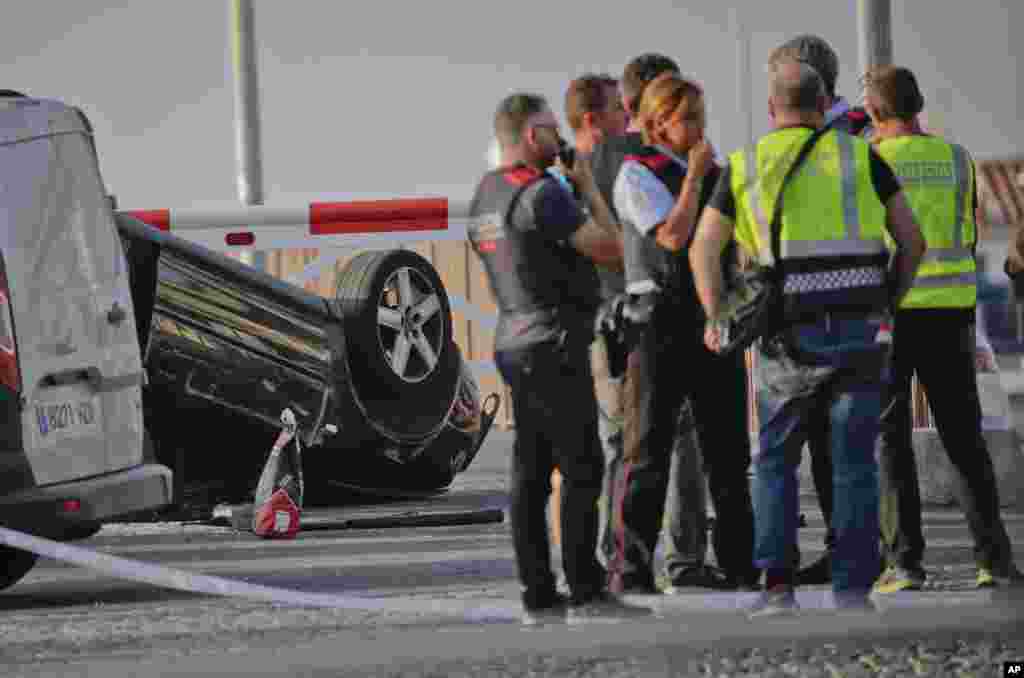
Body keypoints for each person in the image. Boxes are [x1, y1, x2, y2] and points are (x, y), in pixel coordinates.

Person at [690, 59, 927, 616]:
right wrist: (889, 299)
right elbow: (912, 242)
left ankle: (778, 587)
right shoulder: (860, 156)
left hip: (785, 340)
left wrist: (716, 314)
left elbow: (703, 247)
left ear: (772, 110)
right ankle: (853, 591)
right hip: (862, 331)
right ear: (824, 107)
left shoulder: (746, 165)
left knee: (774, 461)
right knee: (854, 462)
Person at [467, 92, 649, 625]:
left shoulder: (485, 194)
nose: (557, 139)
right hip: (556, 341)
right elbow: (612, 248)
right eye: (549, 129)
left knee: (529, 471)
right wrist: (588, 186)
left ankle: (538, 591)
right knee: (581, 466)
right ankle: (586, 589)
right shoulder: (543, 194)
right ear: (529, 136)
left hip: (513, 339)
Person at [861, 65, 1024, 593]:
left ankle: (904, 564)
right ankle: (993, 562)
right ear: (918, 104)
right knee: (963, 437)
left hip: (892, 312)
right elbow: (969, 230)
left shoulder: (871, 159)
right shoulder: (957, 158)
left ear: (873, 113)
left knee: (891, 438)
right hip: (952, 309)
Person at [605, 72, 760, 597]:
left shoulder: (719, 172)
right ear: (656, 123)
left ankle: (740, 564)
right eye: (685, 118)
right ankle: (631, 569)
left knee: (728, 454)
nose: (697, 128)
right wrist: (695, 178)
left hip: (709, 318)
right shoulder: (636, 174)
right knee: (646, 451)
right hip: (657, 323)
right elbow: (671, 236)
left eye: (700, 116)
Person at [764, 34, 876, 585]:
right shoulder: (859, 131)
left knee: (829, 450)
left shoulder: (846, 137)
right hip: (858, 305)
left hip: (831, 312)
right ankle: (852, 555)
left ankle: (853, 558)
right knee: (840, 447)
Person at [547, 73, 627, 559]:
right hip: (592, 325)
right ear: (594, 120)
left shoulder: (568, 177)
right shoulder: (576, 182)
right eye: (619, 108)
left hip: (577, 325)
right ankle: (597, 555)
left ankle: (583, 557)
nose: (628, 117)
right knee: (606, 442)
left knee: (588, 447)